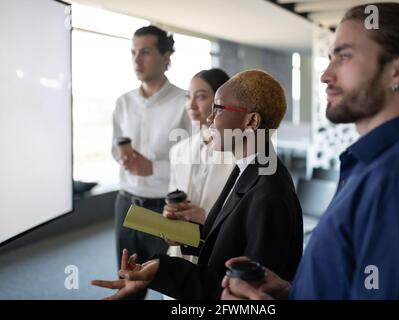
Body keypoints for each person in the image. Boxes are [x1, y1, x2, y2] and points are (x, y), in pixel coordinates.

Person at [222, 2, 399, 300]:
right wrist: (293, 292)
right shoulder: (374, 165)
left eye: (343, 57)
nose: (325, 75)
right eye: (329, 58)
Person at [92, 70, 303, 300]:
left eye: (218, 108)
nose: (210, 118)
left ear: (251, 121)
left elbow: (244, 294)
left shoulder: (269, 194)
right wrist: (177, 246)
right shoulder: (247, 170)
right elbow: (226, 246)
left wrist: (160, 272)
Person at [111, 25, 190, 299]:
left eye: (145, 52)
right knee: (128, 283)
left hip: (163, 210)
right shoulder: (123, 102)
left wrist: (153, 167)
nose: (136, 60)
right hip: (126, 205)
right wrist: (120, 155)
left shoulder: (185, 103)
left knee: (171, 286)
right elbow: (114, 145)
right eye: (133, 52)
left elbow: (198, 163)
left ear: (166, 56)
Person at [164, 68, 234, 265]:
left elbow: (244, 217)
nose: (191, 105)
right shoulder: (178, 151)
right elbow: (173, 199)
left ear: (221, 101)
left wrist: (206, 216)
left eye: (201, 97)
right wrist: (170, 216)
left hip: (218, 253)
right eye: (188, 97)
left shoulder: (239, 156)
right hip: (179, 252)